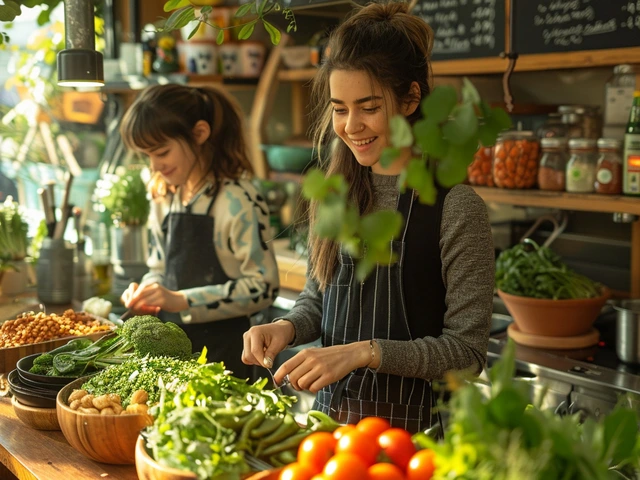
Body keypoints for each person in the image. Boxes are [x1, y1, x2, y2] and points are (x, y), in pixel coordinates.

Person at [242, 2, 494, 432]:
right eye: (340, 109)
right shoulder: (336, 193)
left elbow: (467, 354)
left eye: (369, 107)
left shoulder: (456, 208)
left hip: (417, 440)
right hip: (331, 430)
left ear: (411, 98)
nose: (351, 125)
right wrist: (286, 327)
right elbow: (319, 300)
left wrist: (364, 352)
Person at [120, 83, 280, 380]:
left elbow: (263, 287)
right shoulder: (163, 197)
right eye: (147, 156)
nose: (155, 165)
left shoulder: (238, 201)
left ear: (199, 134)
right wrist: (149, 292)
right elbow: (159, 268)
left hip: (227, 360)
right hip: (169, 360)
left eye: (162, 152)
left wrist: (182, 300)